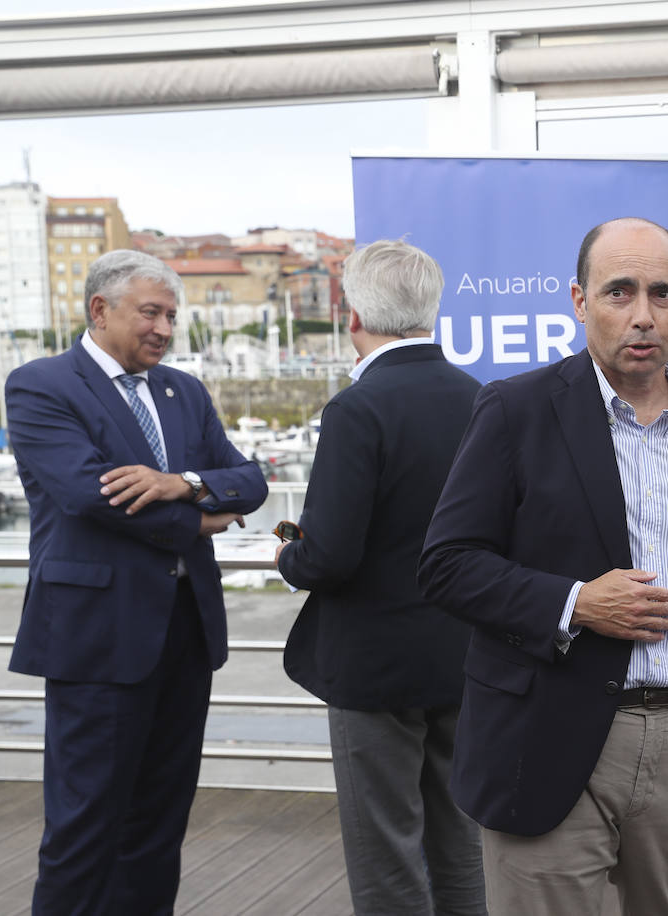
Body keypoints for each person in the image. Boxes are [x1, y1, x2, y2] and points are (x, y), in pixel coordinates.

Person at [418, 216, 668, 915]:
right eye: (619, 292)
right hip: (545, 738)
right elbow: (446, 564)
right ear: (579, 302)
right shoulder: (514, 410)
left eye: (662, 294)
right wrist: (575, 602)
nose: (642, 316)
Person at [5, 249, 268, 914]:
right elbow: (91, 496)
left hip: (184, 635)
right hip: (98, 641)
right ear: (100, 310)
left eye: (171, 316)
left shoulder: (184, 390)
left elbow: (252, 480)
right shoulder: (41, 385)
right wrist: (202, 519)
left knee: (158, 826)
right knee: (84, 826)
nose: (164, 329)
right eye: (150, 312)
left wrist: (181, 483)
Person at [275, 239, 486, 915]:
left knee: (385, 848)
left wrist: (284, 558)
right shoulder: (481, 399)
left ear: (351, 313)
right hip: (465, 653)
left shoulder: (356, 410)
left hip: (373, 667)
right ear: (432, 309)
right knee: (462, 839)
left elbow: (329, 555)